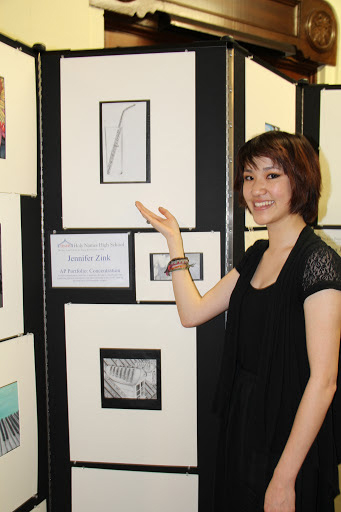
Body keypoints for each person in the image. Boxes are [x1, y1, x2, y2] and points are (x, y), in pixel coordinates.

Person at [136, 130, 341, 512]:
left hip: (289, 431)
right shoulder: (256, 254)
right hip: (243, 422)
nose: (257, 189)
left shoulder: (319, 262)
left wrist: (284, 479)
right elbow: (192, 313)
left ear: (302, 180)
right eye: (249, 177)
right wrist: (174, 243)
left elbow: (324, 382)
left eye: (272, 175)